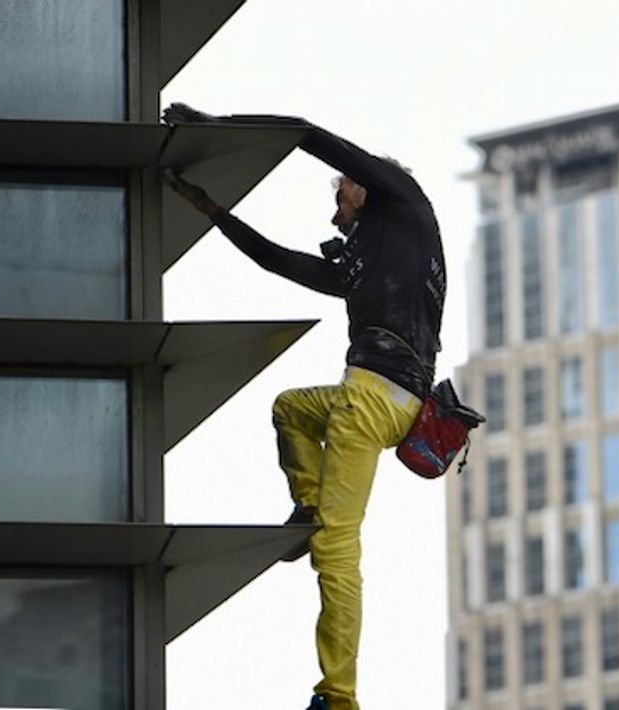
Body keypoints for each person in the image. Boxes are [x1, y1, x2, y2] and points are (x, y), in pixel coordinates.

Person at [162, 103, 446, 710]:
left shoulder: (403, 202)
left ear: (364, 186)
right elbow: (277, 261)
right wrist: (213, 211)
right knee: (290, 408)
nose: (336, 209)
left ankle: (339, 697)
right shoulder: (368, 258)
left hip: (373, 398)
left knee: (338, 550)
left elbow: (308, 135)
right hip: (387, 399)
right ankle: (307, 504)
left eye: (341, 194)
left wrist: (215, 125)